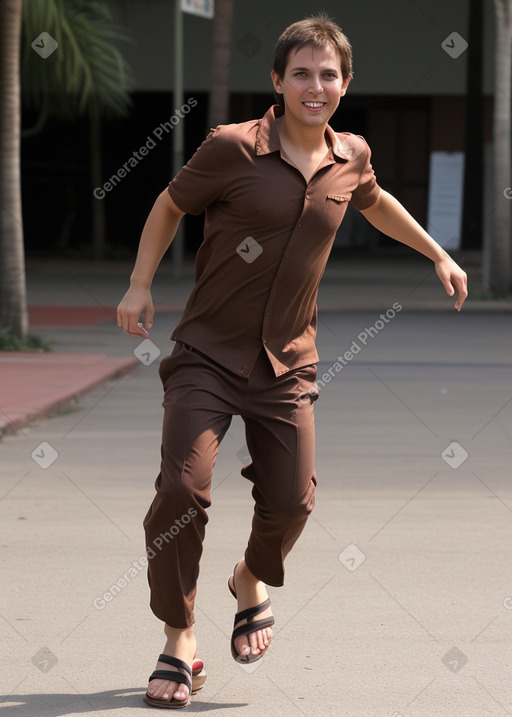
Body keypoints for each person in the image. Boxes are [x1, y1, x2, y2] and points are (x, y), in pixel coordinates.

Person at [117, 12, 468, 709]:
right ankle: (179, 637)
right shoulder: (232, 148)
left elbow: (375, 204)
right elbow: (169, 204)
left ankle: (249, 579)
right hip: (207, 355)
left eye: (328, 74)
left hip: (288, 363)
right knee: (180, 493)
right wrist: (138, 281)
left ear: (345, 84)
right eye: (301, 73)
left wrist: (437, 252)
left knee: (293, 498)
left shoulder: (352, 156)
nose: (316, 85)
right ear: (278, 81)